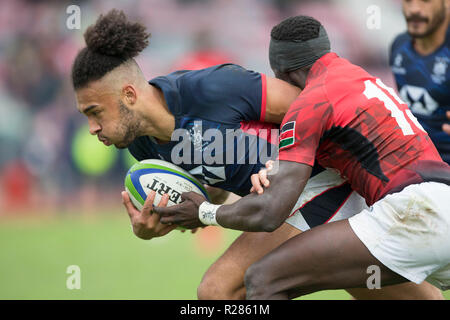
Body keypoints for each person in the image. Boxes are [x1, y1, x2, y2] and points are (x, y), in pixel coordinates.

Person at [71, 10, 441, 299]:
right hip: (279, 205)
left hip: (317, 186)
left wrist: (283, 162)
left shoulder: (213, 88)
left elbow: (314, 107)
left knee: (219, 290)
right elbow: (210, 191)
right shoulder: (143, 146)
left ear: (129, 96)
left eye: (94, 112)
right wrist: (164, 222)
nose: (92, 128)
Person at [390, 0, 449, 163]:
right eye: (408, 1)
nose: (414, 9)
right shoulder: (398, 46)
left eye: (426, 1)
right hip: (412, 166)